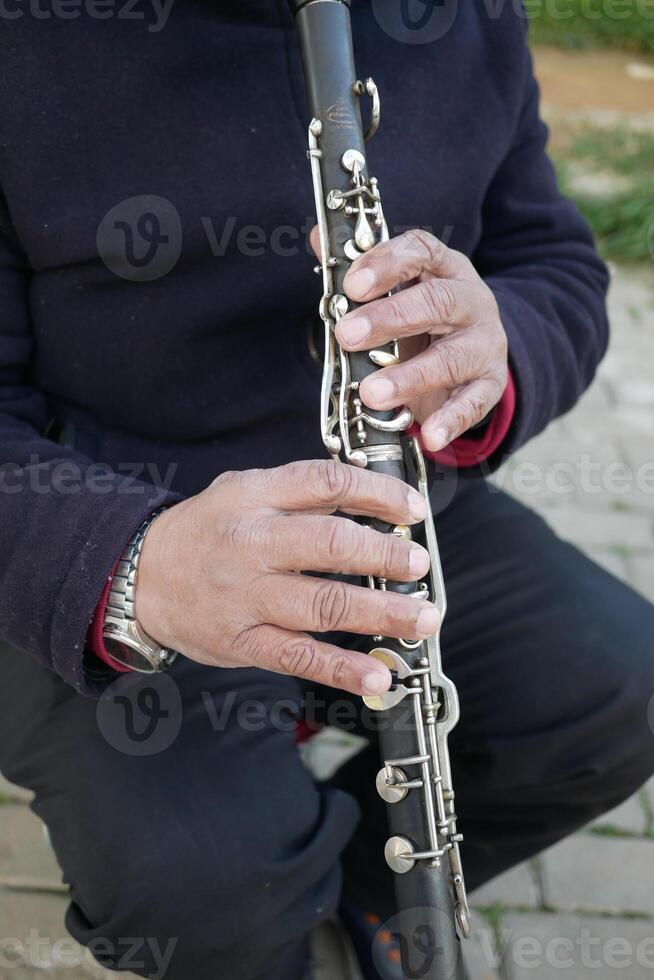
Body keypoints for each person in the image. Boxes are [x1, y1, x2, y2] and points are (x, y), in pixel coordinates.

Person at [0, 2, 652, 978]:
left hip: (398, 506)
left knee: (620, 691)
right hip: (119, 525)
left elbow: (553, 261)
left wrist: (495, 342)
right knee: (204, 890)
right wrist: (136, 568)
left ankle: (364, 889)